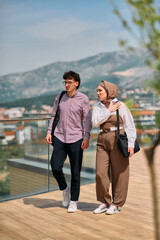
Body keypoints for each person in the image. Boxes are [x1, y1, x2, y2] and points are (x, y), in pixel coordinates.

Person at [46, 70, 92, 213]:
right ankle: (64, 188)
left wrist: (86, 137)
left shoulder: (83, 99)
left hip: (76, 139)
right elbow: (54, 115)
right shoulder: (60, 97)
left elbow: (87, 119)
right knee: (55, 167)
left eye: (69, 82)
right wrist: (49, 132)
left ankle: (73, 201)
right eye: (65, 82)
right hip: (59, 136)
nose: (67, 85)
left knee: (75, 172)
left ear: (76, 83)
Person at [92, 80, 136, 215]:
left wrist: (131, 144)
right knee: (100, 173)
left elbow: (129, 124)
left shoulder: (120, 105)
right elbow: (95, 122)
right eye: (97, 91)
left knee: (120, 173)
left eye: (100, 90)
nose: (98, 93)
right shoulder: (97, 106)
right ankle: (105, 202)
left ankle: (116, 203)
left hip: (118, 139)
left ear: (109, 91)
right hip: (102, 140)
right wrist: (108, 111)